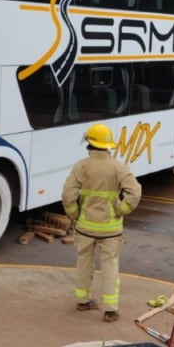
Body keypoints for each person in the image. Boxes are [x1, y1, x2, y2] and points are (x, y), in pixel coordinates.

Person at [61, 122, 142, 322]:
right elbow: (135, 192)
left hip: (85, 226)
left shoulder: (81, 166)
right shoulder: (118, 167)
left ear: (90, 144)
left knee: (84, 262)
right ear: (108, 146)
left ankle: (82, 300)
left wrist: (73, 214)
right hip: (111, 229)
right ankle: (111, 310)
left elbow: (67, 194)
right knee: (110, 267)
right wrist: (121, 210)